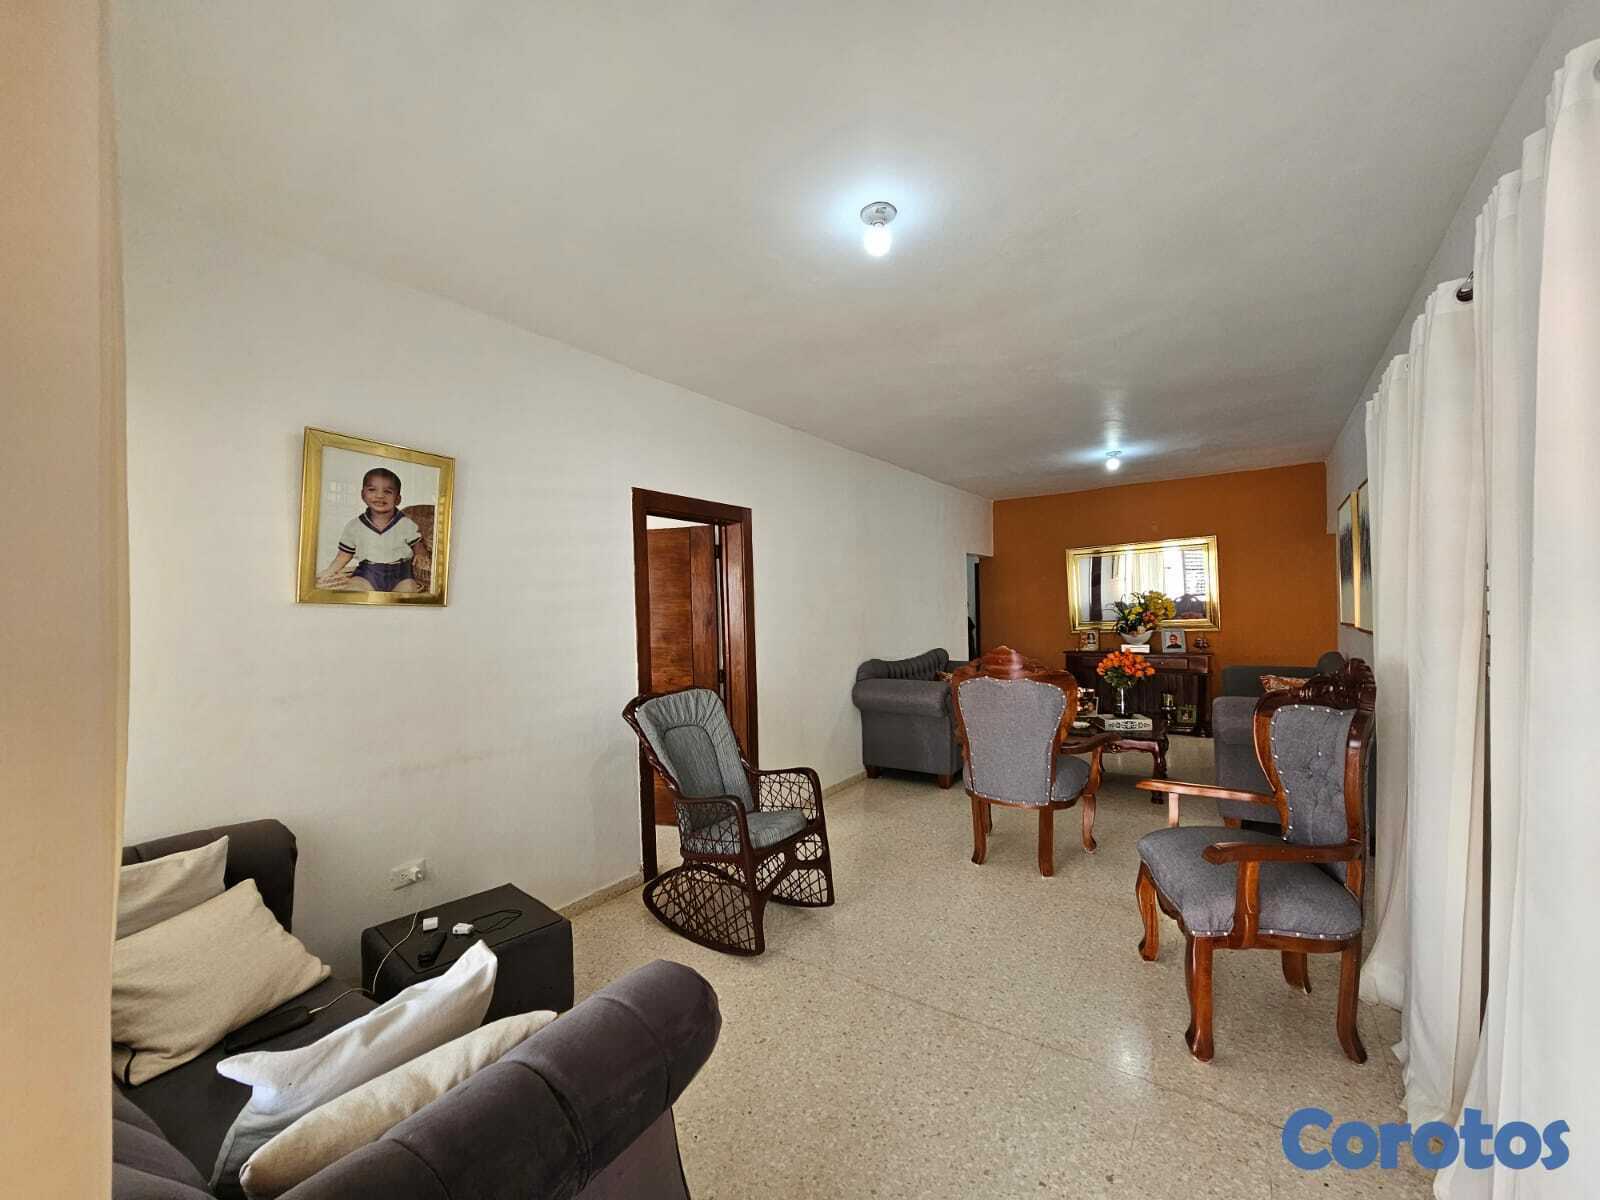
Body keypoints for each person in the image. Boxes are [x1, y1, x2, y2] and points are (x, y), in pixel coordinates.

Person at [317, 467, 424, 592]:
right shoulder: (354, 526)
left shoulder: (405, 523)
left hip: (401, 573)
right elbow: (343, 555)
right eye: (372, 490)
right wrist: (329, 572)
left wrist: (421, 553)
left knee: (408, 592)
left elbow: (417, 543)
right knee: (354, 590)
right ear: (363, 495)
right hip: (367, 572)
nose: (380, 496)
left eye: (388, 491)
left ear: (397, 499)